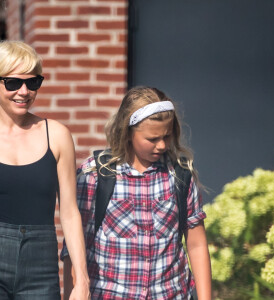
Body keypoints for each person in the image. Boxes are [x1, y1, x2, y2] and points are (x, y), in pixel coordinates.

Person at [61, 86, 211, 299]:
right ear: (128, 133)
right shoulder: (95, 174)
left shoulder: (180, 174)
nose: (161, 145)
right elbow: (74, 250)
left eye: (167, 137)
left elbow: (196, 245)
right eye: (152, 139)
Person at [0, 40, 90, 300]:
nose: (24, 91)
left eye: (33, 82)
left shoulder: (57, 135)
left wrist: (81, 280)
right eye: (13, 83)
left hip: (40, 266)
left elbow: (70, 212)